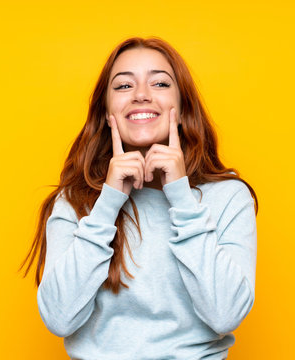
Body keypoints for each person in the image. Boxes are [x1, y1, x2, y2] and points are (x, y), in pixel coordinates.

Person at [19, 36, 259, 360]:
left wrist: (182, 197)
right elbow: (58, 318)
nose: (142, 95)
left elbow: (226, 314)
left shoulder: (229, 197)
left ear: (182, 107)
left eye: (160, 83)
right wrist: (107, 204)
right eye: (123, 86)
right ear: (107, 114)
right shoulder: (74, 201)